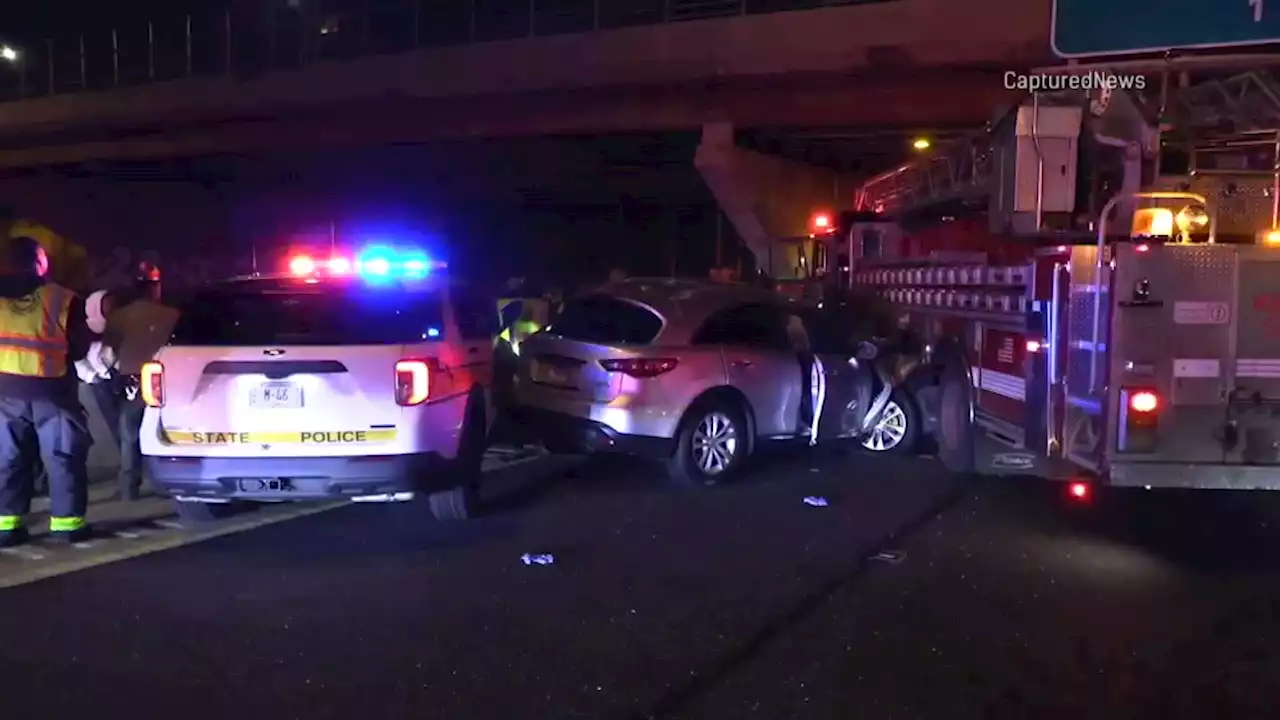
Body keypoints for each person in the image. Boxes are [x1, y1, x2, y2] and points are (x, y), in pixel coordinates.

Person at [0, 237, 94, 546]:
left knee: (8, 460)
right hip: (53, 394)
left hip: (5, 394)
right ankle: (66, 526)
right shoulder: (64, 299)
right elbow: (79, 350)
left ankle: (7, 527)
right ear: (39, 263)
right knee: (62, 457)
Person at [79, 263, 176, 501]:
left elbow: (108, 354)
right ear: (156, 287)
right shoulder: (172, 315)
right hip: (168, 382)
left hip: (132, 383)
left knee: (129, 432)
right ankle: (167, 482)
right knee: (164, 432)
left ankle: (129, 488)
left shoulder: (120, 317)